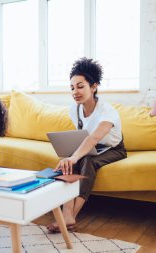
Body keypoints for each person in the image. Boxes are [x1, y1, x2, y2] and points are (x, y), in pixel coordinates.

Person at [47, 57, 127, 233]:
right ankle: (66, 212)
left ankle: (71, 216)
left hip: (113, 148)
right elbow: (83, 137)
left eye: (80, 86)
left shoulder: (107, 111)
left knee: (87, 160)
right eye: (72, 88)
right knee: (68, 161)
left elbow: (94, 137)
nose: (75, 91)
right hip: (92, 147)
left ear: (94, 86)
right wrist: (71, 157)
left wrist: (76, 155)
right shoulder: (73, 109)